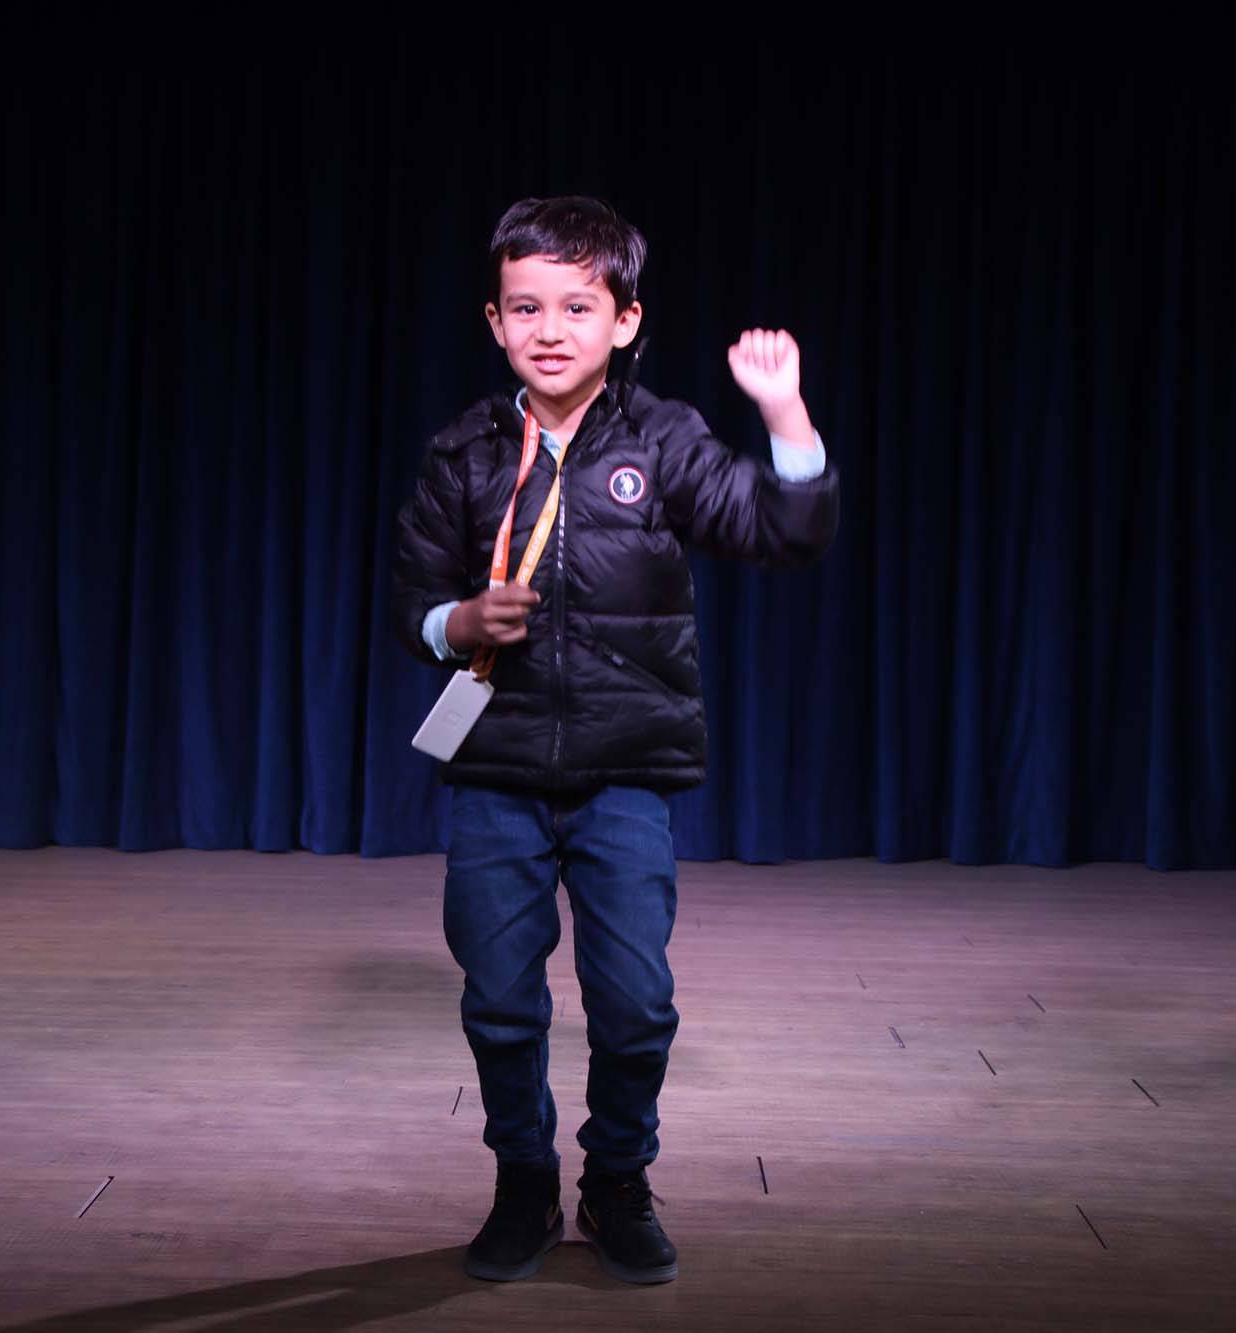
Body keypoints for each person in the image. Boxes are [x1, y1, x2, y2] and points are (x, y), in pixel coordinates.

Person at [390, 196, 839, 1285]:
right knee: (500, 999)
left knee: (634, 1005)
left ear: (625, 321)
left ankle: (619, 1181)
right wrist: (460, 621)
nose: (549, 329)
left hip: (625, 773)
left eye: (577, 306)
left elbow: (782, 531)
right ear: (494, 321)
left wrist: (782, 410)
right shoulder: (463, 451)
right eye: (525, 307)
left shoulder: (662, 439)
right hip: (494, 773)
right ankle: (523, 1184)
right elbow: (412, 602)